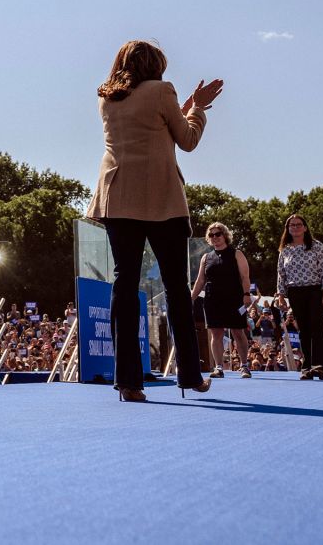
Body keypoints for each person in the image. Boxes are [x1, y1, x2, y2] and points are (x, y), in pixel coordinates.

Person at [85, 40, 221, 402]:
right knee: (177, 287)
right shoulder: (163, 91)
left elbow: (152, 125)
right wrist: (199, 109)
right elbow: (186, 139)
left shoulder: (107, 97)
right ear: (156, 65)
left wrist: (185, 106)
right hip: (161, 200)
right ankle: (190, 375)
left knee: (124, 285)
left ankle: (128, 381)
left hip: (118, 197)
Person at [190, 222, 254, 378]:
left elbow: (245, 277)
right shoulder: (206, 257)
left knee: (238, 332)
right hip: (212, 300)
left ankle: (244, 365)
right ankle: (218, 367)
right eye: (211, 235)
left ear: (225, 235)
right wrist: (191, 298)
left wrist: (247, 294)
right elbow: (200, 281)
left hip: (234, 298)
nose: (214, 237)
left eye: (218, 234)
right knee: (216, 334)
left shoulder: (236, 253)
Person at [276, 214, 323, 380]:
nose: (295, 227)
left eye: (299, 224)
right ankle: (307, 365)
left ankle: (320, 365)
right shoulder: (285, 249)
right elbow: (281, 274)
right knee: (304, 329)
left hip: (315, 290)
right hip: (295, 292)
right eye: (292, 225)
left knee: (317, 327)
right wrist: (280, 295)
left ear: (305, 227)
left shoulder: (317, 246)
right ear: (288, 229)